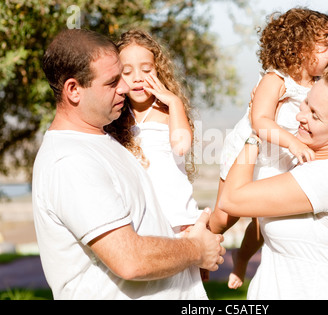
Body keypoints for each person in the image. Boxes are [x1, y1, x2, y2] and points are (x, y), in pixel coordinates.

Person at [32, 28, 225, 300]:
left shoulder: (108, 142)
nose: (125, 86)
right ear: (74, 90)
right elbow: (129, 260)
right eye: (113, 82)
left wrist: (187, 262)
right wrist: (196, 249)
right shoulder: (70, 162)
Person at [218, 65, 328, 299]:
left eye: (315, 115)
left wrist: (256, 132)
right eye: (306, 103)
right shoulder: (306, 160)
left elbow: (231, 199)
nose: (300, 116)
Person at [209, 7, 328, 289]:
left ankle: (242, 259)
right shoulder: (276, 80)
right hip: (252, 151)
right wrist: (294, 142)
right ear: (300, 48)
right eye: (327, 46)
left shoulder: (319, 86)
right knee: (225, 216)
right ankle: (201, 246)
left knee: (263, 224)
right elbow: (259, 120)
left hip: (281, 158)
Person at [105, 29, 200, 236]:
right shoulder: (115, 119)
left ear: (159, 71)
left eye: (146, 70)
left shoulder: (167, 112)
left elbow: (182, 146)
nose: (137, 78)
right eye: (127, 72)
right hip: (138, 222)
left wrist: (174, 102)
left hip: (175, 219)